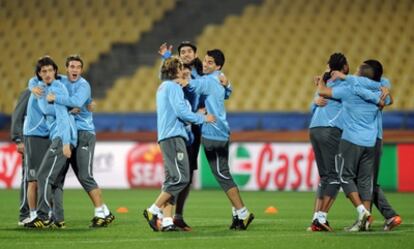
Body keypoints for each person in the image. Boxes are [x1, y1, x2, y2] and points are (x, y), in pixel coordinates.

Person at [159, 41, 232, 230]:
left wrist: (228, 84)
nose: (185, 54)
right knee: (176, 174)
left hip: (196, 126)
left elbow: (220, 87)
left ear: (195, 53)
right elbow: (168, 77)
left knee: (187, 174)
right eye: (182, 51)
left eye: (189, 51)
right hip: (180, 124)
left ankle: (177, 216)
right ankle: (164, 216)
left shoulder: (203, 69)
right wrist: (167, 58)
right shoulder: (176, 70)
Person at [143, 56, 215, 232]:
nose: (184, 69)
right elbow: (182, 112)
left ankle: (167, 221)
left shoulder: (163, 87)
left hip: (168, 136)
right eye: (181, 66)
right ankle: (153, 210)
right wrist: (203, 118)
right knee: (182, 178)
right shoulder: (173, 87)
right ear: (175, 70)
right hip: (174, 138)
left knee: (170, 179)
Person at [184, 49, 254, 230]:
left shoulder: (207, 81)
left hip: (212, 132)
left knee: (222, 175)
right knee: (224, 173)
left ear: (218, 66)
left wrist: (178, 70)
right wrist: (229, 84)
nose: (205, 65)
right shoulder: (220, 78)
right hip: (223, 131)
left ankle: (243, 212)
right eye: (205, 61)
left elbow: (190, 85)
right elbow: (227, 93)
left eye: (209, 63)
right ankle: (238, 215)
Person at [316, 60, 389, 232]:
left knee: (344, 177)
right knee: (365, 181)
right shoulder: (381, 92)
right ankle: (365, 223)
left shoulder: (350, 90)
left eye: (357, 71)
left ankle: (362, 211)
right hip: (371, 142)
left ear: (362, 75)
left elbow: (322, 92)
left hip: (351, 140)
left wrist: (321, 80)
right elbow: (386, 101)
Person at [46, 55, 114, 228]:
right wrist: (33, 88)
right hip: (67, 134)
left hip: (84, 133)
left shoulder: (84, 85)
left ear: (81, 70)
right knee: (58, 177)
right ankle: (104, 212)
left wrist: (58, 100)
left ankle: (100, 212)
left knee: (85, 175)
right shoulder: (60, 80)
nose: (75, 69)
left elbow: (77, 101)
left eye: (78, 67)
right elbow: (41, 79)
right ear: (66, 68)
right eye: (72, 66)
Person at [25, 56, 77, 228]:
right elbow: (32, 82)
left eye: (50, 70)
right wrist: (32, 87)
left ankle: (42, 217)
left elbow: (62, 116)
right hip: (59, 137)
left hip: (61, 137)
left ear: (55, 71)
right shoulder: (41, 87)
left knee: (42, 176)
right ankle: (58, 219)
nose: (47, 74)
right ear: (39, 74)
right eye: (43, 71)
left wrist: (65, 143)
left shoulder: (57, 89)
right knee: (55, 181)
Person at [307, 53, 349, 232]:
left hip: (314, 129)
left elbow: (312, 107)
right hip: (329, 130)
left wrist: (316, 99)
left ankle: (316, 219)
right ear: (344, 66)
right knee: (335, 177)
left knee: (325, 177)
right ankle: (322, 218)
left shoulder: (326, 84)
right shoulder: (345, 85)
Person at [10, 89, 31, 225]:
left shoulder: (52, 91)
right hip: (29, 140)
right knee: (29, 177)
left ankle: (42, 212)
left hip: (47, 141)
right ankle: (24, 214)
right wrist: (18, 139)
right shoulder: (29, 92)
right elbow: (17, 115)